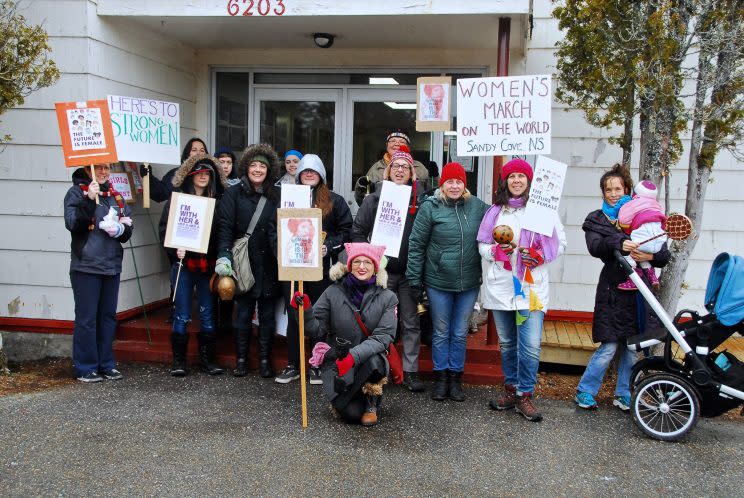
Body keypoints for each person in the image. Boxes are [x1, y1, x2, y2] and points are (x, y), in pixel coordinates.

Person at [574, 164, 670, 411]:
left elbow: (663, 254)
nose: (614, 193)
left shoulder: (644, 213)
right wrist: (623, 242)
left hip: (640, 291)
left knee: (632, 348)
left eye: (618, 188)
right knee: (608, 346)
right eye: (608, 189)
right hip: (612, 290)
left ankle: (624, 393)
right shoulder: (597, 218)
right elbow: (596, 247)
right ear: (603, 193)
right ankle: (585, 390)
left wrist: (645, 255)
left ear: (627, 188)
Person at [478, 159, 567, 422]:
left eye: (521, 176)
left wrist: (539, 256)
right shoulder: (495, 212)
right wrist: (496, 252)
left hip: (531, 289)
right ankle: (511, 389)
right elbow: (482, 246)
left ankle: (525, 394)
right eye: (511, 176)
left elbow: (560, 243)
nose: (516, 180)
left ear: (529, 181)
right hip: (501, 287)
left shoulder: (542, 211)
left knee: (529, 345)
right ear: (504, 181)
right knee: (507, 344)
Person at [406, 162, 488, 402]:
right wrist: (414, 278)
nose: (454, 186)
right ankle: (441, 378)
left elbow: (500, 220)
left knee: (460, 332)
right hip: (438, 281)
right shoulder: (431, 207)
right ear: (442, 184)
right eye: (449, 181)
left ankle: (455, 378)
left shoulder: (478, 207)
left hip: (469, 282)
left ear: (465, 184)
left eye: (458, 182)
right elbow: (417, 244)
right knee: (442, 332)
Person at [351, 144, 426, 392]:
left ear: (412, 173)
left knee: (411, 322)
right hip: (382, 271)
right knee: (377, 322)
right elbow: (358, 231)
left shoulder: (420, 201)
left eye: (406, 167)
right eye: (396, 166)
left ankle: (411, 371)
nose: (401, 170)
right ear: (388, 170)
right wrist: (369, 259)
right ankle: (376, 367)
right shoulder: (374, 199)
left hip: (409, 272)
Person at [296, 243, 397, 426]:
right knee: (351, 415)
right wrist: (305, 311)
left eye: (367, 262)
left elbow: (383, 337)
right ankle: (347, 399)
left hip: (367, 360)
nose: (362, 266)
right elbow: (315, 330)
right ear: (349, 265)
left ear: (375, 267)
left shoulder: (388, 297)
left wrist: (353, 355)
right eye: (357, 261)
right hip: (338, 362)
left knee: (375, 361)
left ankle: (371, 403)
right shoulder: (332, 292)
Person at [275, 154, 353, 385]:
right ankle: (293, 364)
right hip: (292, 266)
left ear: (321, 174)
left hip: (319, 268)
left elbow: (346, 230)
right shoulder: (286, 197)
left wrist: (328, 246)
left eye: (314, 171)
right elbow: (274, 228)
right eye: (305, 171)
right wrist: (281, 250)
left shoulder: (334, 201)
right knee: (293, 315)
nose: (309, 174)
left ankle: (316, 364)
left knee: (318, 315)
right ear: (298, 174)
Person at [215, 144, 282, 378]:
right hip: (243, 262)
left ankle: (265, 360)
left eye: (262, 165)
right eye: (253, 165)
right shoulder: (233, 194)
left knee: (266, 316)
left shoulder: (277, 195)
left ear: (269, 169)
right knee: (242, 314)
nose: (257, 169)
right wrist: (224, 256)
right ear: (246, 167)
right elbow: (224, 227)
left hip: (270, 264)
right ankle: (241, 359)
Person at [159, 154, 228, 376]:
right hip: (183, 265)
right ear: (191, 176)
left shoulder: (218, 202)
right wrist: (173, 248)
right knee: (181, 313)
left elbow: (221, 234)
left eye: (207, 174)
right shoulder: (177, 199)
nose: (203, 177)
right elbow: (164, 230)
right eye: (199, 173)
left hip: (206, 266)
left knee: (208, 313)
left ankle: (208, 360)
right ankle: (179, 361)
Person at [64, 163, 134, 382]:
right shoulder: (77, 192)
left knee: (107, 317)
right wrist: (88, 200)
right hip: (86, 265)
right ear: (88, 169)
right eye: (99, 168)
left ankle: (106, 364)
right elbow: (73, 223)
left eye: (107, 167)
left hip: (111, 264)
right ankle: (85, 367)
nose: (103, 172)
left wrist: (121, 229)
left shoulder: (115, 194)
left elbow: (127, 229)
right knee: (87, 319)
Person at [354, 130, 430, 206]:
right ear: (387, 145)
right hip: (384, 213)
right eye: (393, 141)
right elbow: (363, 202)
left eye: (402, 142)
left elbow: (432, 192)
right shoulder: (376, 168)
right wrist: (361, 187)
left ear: (407, 147)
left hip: (412, 214)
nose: (397, 144)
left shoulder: (419, 167)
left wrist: (434, 177)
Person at [617, 180, 667, 290]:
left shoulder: (633, 204)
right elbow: (663, 224)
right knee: (643, 255)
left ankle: (634, 277)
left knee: (627, 254)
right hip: (657, 242)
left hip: (641, 240)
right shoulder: (657, 206)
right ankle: (652, 276)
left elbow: (624, 220)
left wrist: (626, 228)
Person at [141, 137, 209, 203]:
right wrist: (149, 178)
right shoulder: (177, 174)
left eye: (202, 150)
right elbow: (161, 194)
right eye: (194, 150)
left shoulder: (213, 173)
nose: (198, 153)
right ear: (187, 153)